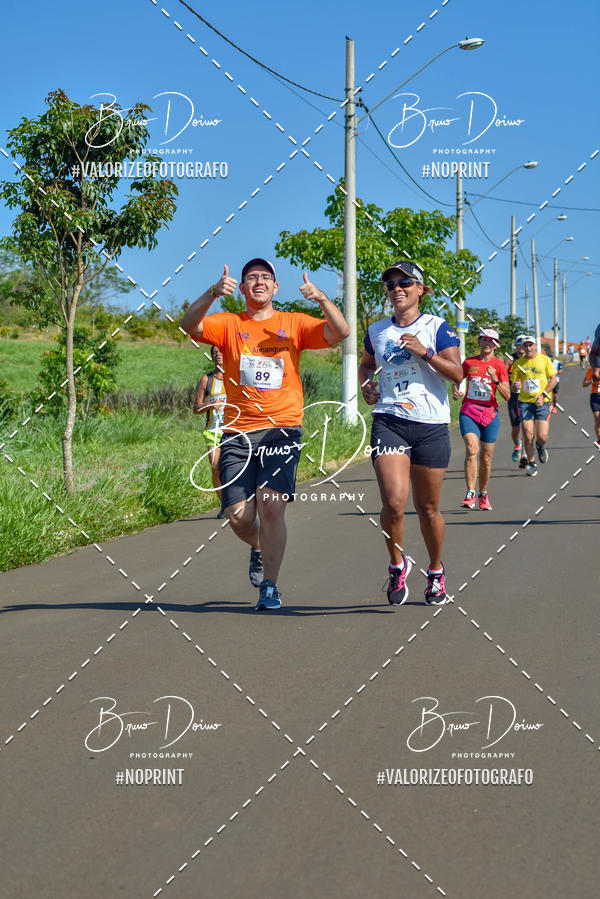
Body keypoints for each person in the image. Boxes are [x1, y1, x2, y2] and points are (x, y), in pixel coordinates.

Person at [181, 258, 349, 611]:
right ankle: (260, 547)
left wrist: (321, 299)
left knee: (272, 508)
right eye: (251, 277)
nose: (259, 281)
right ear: (241, 289)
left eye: (266, 277)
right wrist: (212, 292)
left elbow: (341, 332)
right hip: (237, 431)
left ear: (275, 288)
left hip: (282, 428)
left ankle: (270, 586)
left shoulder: (293, 323)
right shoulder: (228, 324)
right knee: (238, 516)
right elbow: (189, 324)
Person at [358, 259, 462, 607]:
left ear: (421, 289)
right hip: (389, 421)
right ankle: (396, 564)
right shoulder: (376, 331)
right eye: (391, 285)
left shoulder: (438, 327)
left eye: (405, 283)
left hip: (431, 426)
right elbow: (366, 366)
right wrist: (366, 386)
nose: (397, 289)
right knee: (393, 501)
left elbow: (457, 374)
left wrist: (426, 352)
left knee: (428, 507)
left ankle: (435, 572)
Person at [453, 328, 510, 511]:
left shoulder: (499, 366)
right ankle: (470, 493)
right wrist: (456, 389)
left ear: (496, 345)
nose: (487, 343)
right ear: (479, 342)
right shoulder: (469, 362)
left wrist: (496, 380)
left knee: (486, 457)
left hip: (490, 414)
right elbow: (457, 380)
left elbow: (507, 396)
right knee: (472, 449)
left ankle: (483, 494)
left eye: (491, 341)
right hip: (469, 410)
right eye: (484, 340)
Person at [509, 336, 557, 476]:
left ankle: (540, 446)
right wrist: (514, 386)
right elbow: (513, 386)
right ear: (522, 347)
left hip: (542, 402)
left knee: (542, 436)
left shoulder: (544, 360)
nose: (528, 348)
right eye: (526, 345)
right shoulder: (518, 363)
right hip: (524, 403)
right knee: (528, 435)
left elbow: (553, 380)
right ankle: (532, 462)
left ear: (535, 346)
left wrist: (543, 394)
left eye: (531, 345)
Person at [193, 345, 227, 518]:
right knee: (216, 468)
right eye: (214, 353)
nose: (218, 355)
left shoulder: (237, 376)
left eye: (220, 352)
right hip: (213, 431)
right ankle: (224, 505)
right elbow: (196, 407)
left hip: (235, 431)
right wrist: (210, 405)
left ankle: (241, 501)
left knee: (236, 469)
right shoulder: (207, 379)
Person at [507, 335, 527, 467]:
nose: (521, 347)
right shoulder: (510, 359)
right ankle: (517, 445)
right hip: (513, 397)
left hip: (527, 397)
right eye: (518, 344)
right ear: (516, 345)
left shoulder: (531, 360)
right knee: (515, 428)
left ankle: (525, 454)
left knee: (526, 426)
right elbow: (503, 376)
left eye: (523, 344)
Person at [582, 365, 600, 443]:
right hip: (595, 397)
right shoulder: (591, 370)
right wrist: (591, 381)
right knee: (597, 421)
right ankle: (599, 440)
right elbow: (584, 384)